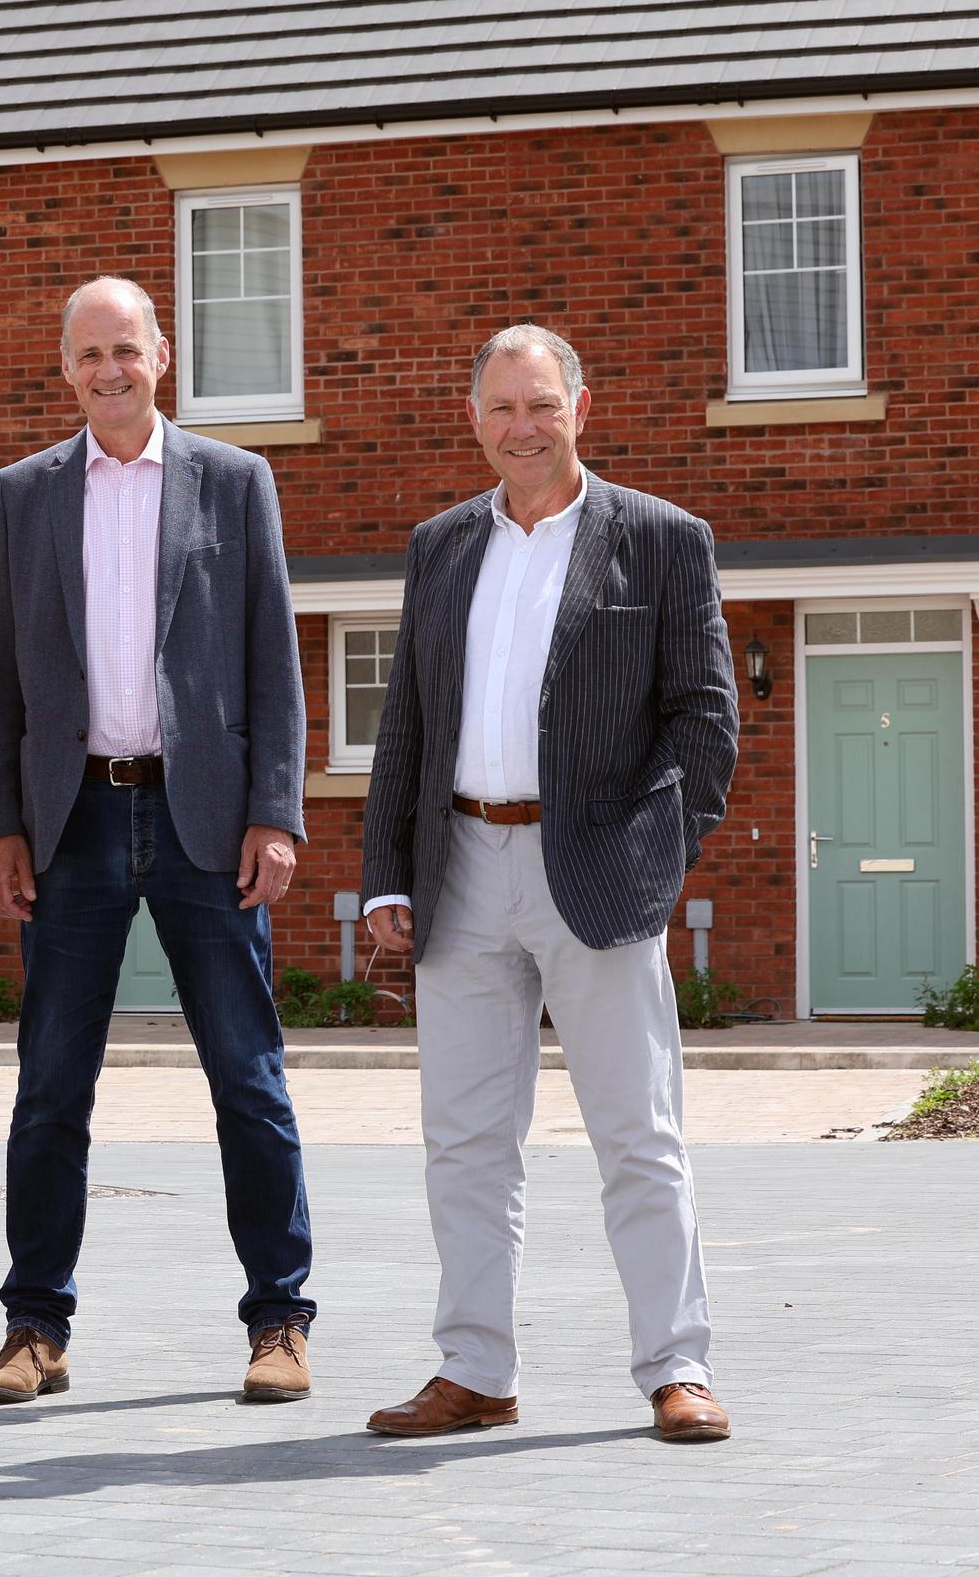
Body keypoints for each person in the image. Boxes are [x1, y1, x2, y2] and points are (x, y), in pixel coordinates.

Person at [359, 325, 739, 1444]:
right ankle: (474, 1369)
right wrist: (386, 872)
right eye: (500, 409)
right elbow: (406, 727)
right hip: (462, 867)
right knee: (465, 1137)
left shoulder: (663, 541)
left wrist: (660, 859)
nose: (521, 428)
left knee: (640, 1131)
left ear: (583, 405)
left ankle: (677, 1365)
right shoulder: (439, 547)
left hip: (601, 872)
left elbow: (707, 721)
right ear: (474, 418)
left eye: (540, 405)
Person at [0, 276, 316, 1407]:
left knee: (248, 1078)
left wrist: (277, 809)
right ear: (64, 368)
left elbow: (273, 656)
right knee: (50, 1086)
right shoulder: (21, 495)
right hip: (71, 823)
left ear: (161, 354)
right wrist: (2, 826)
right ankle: (35, 1326)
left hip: (204, 818)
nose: (109, 370)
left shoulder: (235, 481)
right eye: (88, 355)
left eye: (127, 349)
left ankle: (279, 1319)